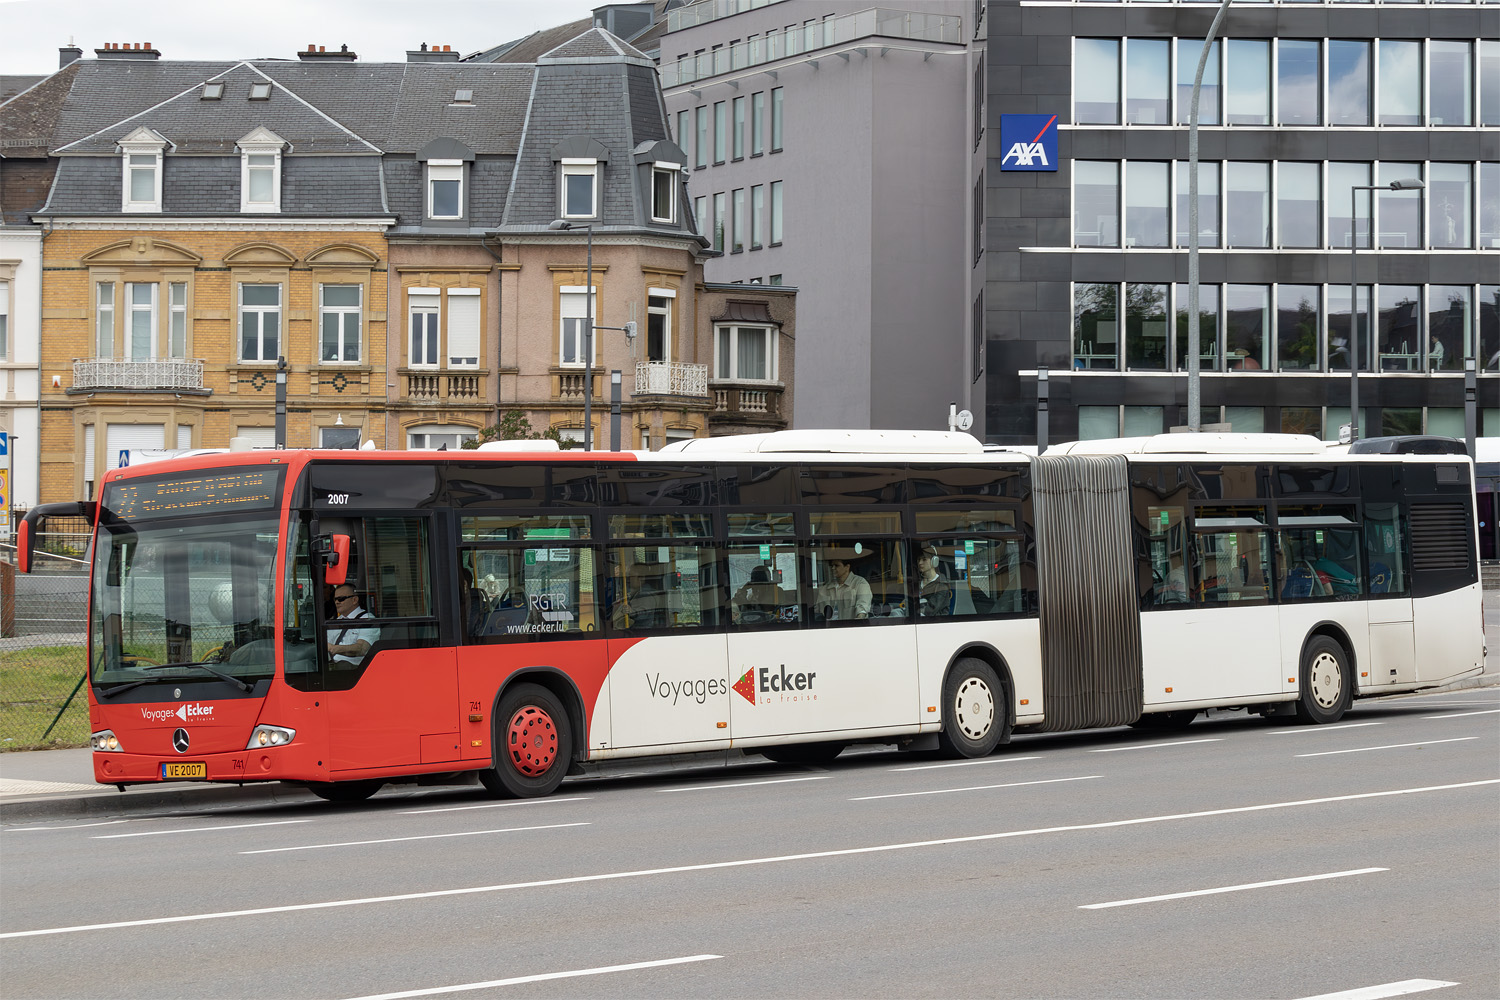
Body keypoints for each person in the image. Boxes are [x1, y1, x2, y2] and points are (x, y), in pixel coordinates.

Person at [327, 586, 378, 666]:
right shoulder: (336, 621)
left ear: (354, 600)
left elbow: (362, 649)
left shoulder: (367, 620)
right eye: (335, 599)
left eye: (341, 599)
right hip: (332, 666)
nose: (337, 602)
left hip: (355, 669)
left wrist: (334, 649)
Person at [815, 553, 871, 621]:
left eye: (836, 565)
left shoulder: (860, 583)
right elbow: (816, 612)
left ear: (847, 567)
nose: (833, 568)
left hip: (849, 628)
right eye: (832, 565)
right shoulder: (825, 588)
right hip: (828, 629)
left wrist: (857, 624)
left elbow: (862, 608)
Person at [915, 545, 952, 617]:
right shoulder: (918, 582)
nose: (920, 563)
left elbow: (931, 610)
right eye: (918, 560)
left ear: (934, 561)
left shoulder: (941, 584)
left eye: (924, 559)